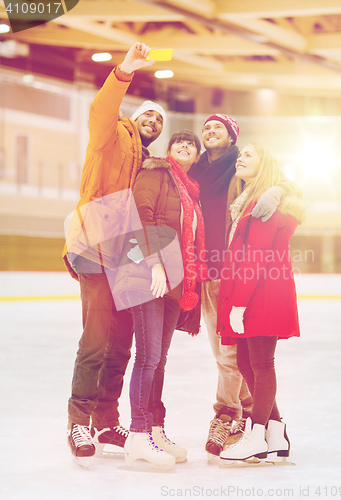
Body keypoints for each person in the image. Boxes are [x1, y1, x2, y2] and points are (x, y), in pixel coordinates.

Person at [62, 42, 167, 463]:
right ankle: (79, 421)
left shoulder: (149, 164)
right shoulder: (112, 136)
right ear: (134, 117)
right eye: (148, 114)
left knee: (121, 343)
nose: (153, 121)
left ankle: (107, 421)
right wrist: (124, 71)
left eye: (159, 119)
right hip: (92, 245)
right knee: (96, 340)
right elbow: (100, 111)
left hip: (127, 252)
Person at [188, 114, 302, 457]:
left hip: (248, 287)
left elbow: (256, 253)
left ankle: (243, 422)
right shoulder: (196, 172)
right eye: (205, 127)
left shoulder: (255, 193)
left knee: (246, 360)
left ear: (233, 137)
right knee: (239, 357)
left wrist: (279, 188)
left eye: (218, 127)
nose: (210, 131)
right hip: (213, 277)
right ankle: (273, 430)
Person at [117, 130, 206, 469]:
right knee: (148, 357)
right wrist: (153, 263)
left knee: (160, 359)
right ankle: (138, 435)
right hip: (148, 275)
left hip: (174, 281)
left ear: (196, 156)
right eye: (179, 142)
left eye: (191, 145)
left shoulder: (190, 192)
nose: (185, 146)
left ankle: (154, 427)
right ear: (168, 150)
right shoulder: (155, 173)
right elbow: (143, 215)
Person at [217, 143, 306, 463]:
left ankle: (256, 435)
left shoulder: (264, 205)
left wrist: (238, 304)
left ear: (264, 163)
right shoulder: (251, 202)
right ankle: (276, 430)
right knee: (244, 362)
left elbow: (255, 257)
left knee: (261, 363)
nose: (241, 158)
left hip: (263, 292)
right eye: (241, 154)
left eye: (249, 155)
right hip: (256, 291)